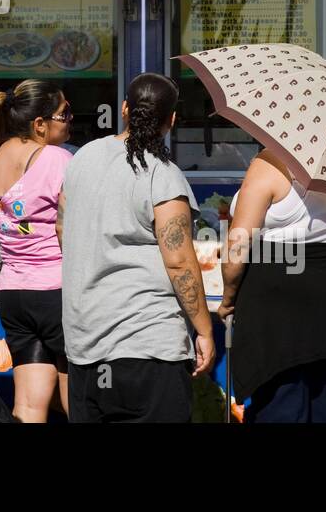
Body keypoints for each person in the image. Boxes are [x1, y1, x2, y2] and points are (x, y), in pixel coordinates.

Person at [60, 73, 215, 423]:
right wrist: (204, 329)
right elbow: (178, 262)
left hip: (86, 346)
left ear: (125, 109)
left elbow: (62, 228)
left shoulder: (82, 158)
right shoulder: (164, 175)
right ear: (171, 120)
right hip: (148, 346)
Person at [219, 148, 326, 423]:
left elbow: (237, 244)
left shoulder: (271, 160)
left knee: (280, 405)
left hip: (279, 297)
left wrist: (228, 297)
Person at [0, 79, 72, 422]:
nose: (70, 120)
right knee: (77, 398)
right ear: (39, 124)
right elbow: (70, 227)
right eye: (65, 113)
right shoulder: (57, 158)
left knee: (29, 406)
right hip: (56, 291)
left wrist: (18, 225)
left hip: (13, 293)